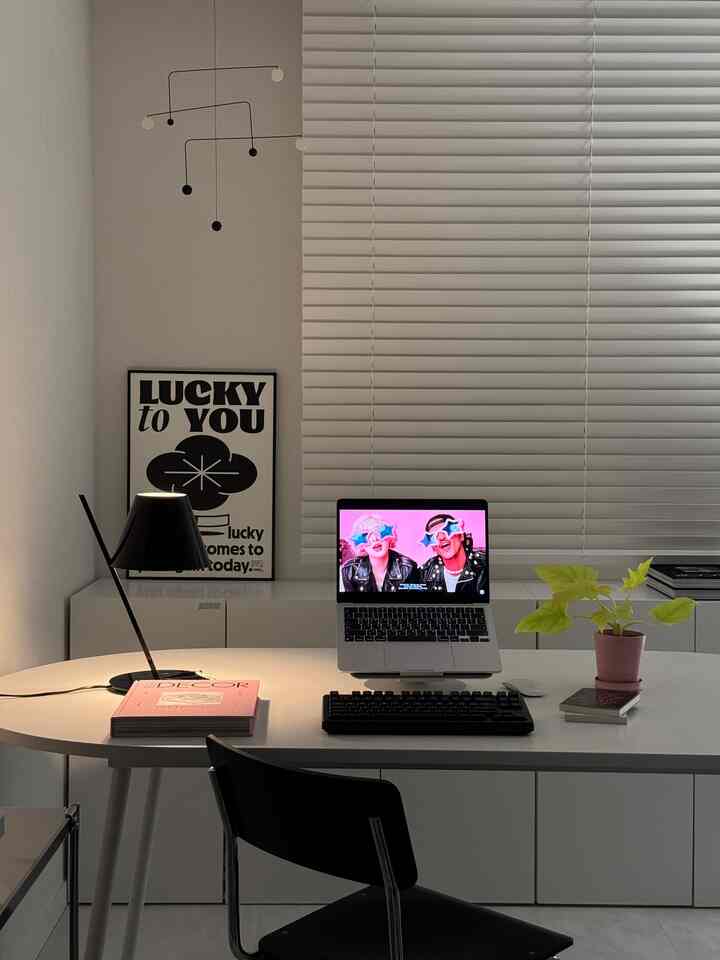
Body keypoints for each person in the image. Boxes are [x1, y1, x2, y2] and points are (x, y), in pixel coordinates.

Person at [341, 514, 418, 593]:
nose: (374, 539)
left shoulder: (408, 568)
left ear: (390, 538)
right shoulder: (350, 570)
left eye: (379, 531)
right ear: (362, 545)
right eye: (365, 535)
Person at [418, 513, 487, 595]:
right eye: (433, 536)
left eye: (446, 531)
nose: (441, 538)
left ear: (461, 536)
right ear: (433, 547)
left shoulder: (485, 563)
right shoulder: (424, 573)